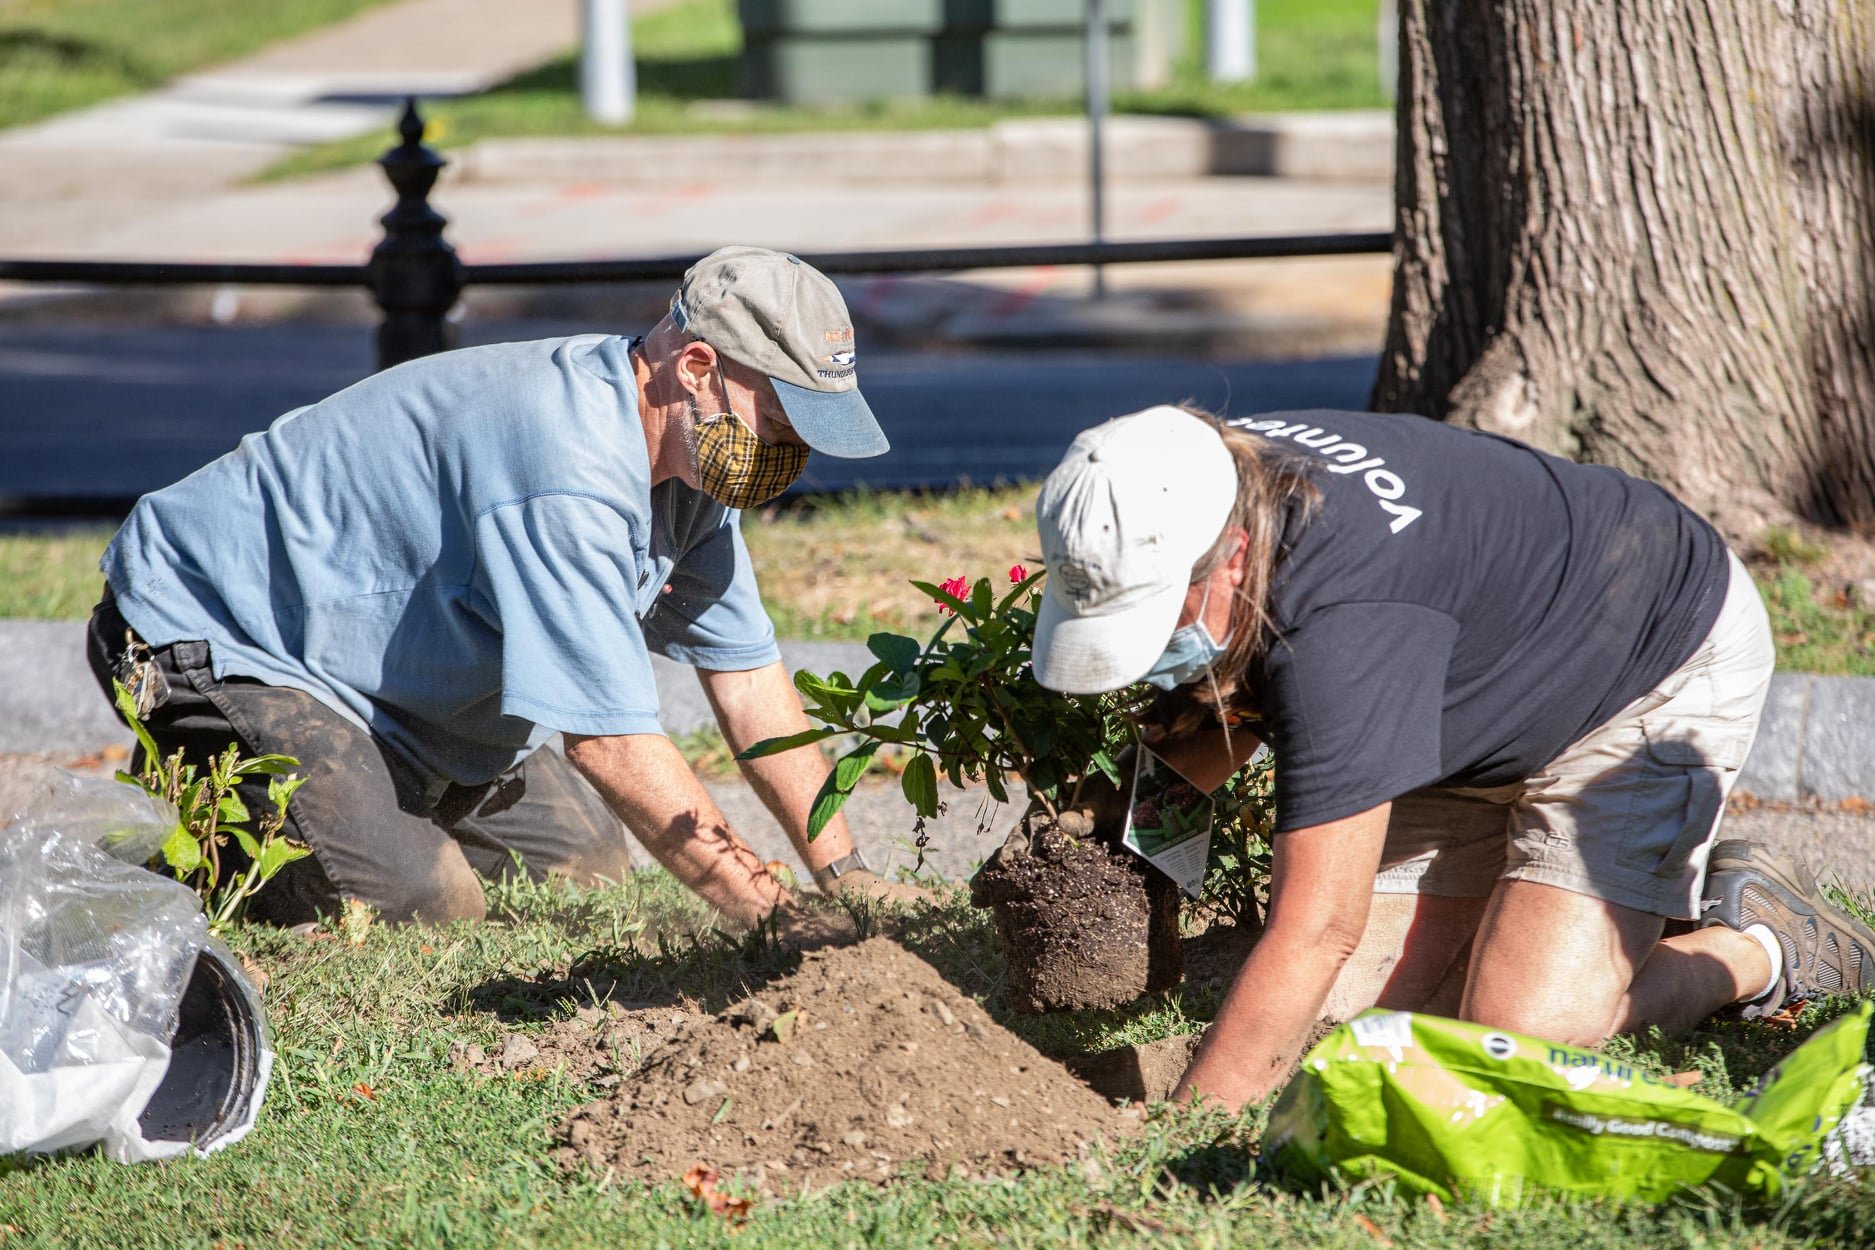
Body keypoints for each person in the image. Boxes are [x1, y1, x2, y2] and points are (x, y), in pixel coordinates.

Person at [1029, 403, 1875, 1110]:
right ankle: (1562, 914)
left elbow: (1317, 927)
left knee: (1511, 1038)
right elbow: (1222, 711)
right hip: (1466, 690)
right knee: (1349, 1018)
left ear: (1233, 558)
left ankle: (1754, 942)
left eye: (1158, 616)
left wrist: (1190, 1124)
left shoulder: (1347, 622)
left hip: (1649, 660)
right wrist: (1096, 862)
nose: (1155, 648)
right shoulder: (1191, 478)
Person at [88, 245, 921, 930]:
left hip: (374, 681)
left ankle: (352, 803)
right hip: (213, 633)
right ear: (696, 366)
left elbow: (747, 679)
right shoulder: (566, 466)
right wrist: (771, 914)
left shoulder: (692, 466)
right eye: (779, 424)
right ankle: (196, 824)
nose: (789, 460)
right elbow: (610, 743)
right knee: (424, 907)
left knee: (582, 875)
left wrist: (842, 876)